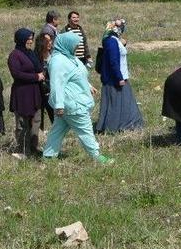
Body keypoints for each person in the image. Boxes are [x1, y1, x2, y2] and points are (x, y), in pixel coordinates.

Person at [42, 32, 112, 164]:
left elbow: (77, 74)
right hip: (71, 104)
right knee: (85, 130)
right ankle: (96, 156)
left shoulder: (69, 57)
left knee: (58, 130)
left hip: (72, 102)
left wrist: (88, 85)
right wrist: (59, 105)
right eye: (75, 45)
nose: (76, 47)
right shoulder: (58, 62)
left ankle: (49, 156)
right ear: (66, 44)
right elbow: (57, 85)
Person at [97, 19, 144, 133]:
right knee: (117, 103)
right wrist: (119, 77)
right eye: (120, 27)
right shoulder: (112, 42)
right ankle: (115, 126)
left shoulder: (113, 40)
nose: (122, 29)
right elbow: (113, 61)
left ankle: (121, 125)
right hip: (115, 78)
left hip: (120, 76)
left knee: (123, 102)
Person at [7, 29, 45, 157]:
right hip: (22, 94)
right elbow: (16, 74)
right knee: (23, 124)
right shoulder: (15, 55)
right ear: (21, 39)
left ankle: (33, 148)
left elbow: (39, 68)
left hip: (35, 93)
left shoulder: (30, 53)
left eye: (31, 38)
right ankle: (22, 150)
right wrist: (35, 77)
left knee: (36, 120)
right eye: (28, 38)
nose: (30, 41)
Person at [34, 32, 54, 125]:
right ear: (41, 43)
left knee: (55, 118)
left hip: (51, 90)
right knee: (38, 118)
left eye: (50, 40)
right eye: (47, 41)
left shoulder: (54, 55)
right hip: (38, 90)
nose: (50, 43)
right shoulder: (35, 57)